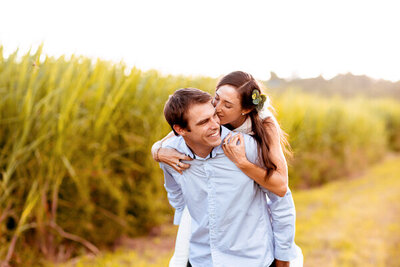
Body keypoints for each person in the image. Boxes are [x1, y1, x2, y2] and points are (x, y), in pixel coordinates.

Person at [152, 71, 303, 267]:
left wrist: (242, 163)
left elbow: (281, 188)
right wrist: (158, 151)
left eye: (227, 105)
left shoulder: (261, 133)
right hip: (202, 252)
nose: (217, 109)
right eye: (216, 99)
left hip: (250, 254)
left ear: (245, 110)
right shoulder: (196, 124)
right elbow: (178, 133)